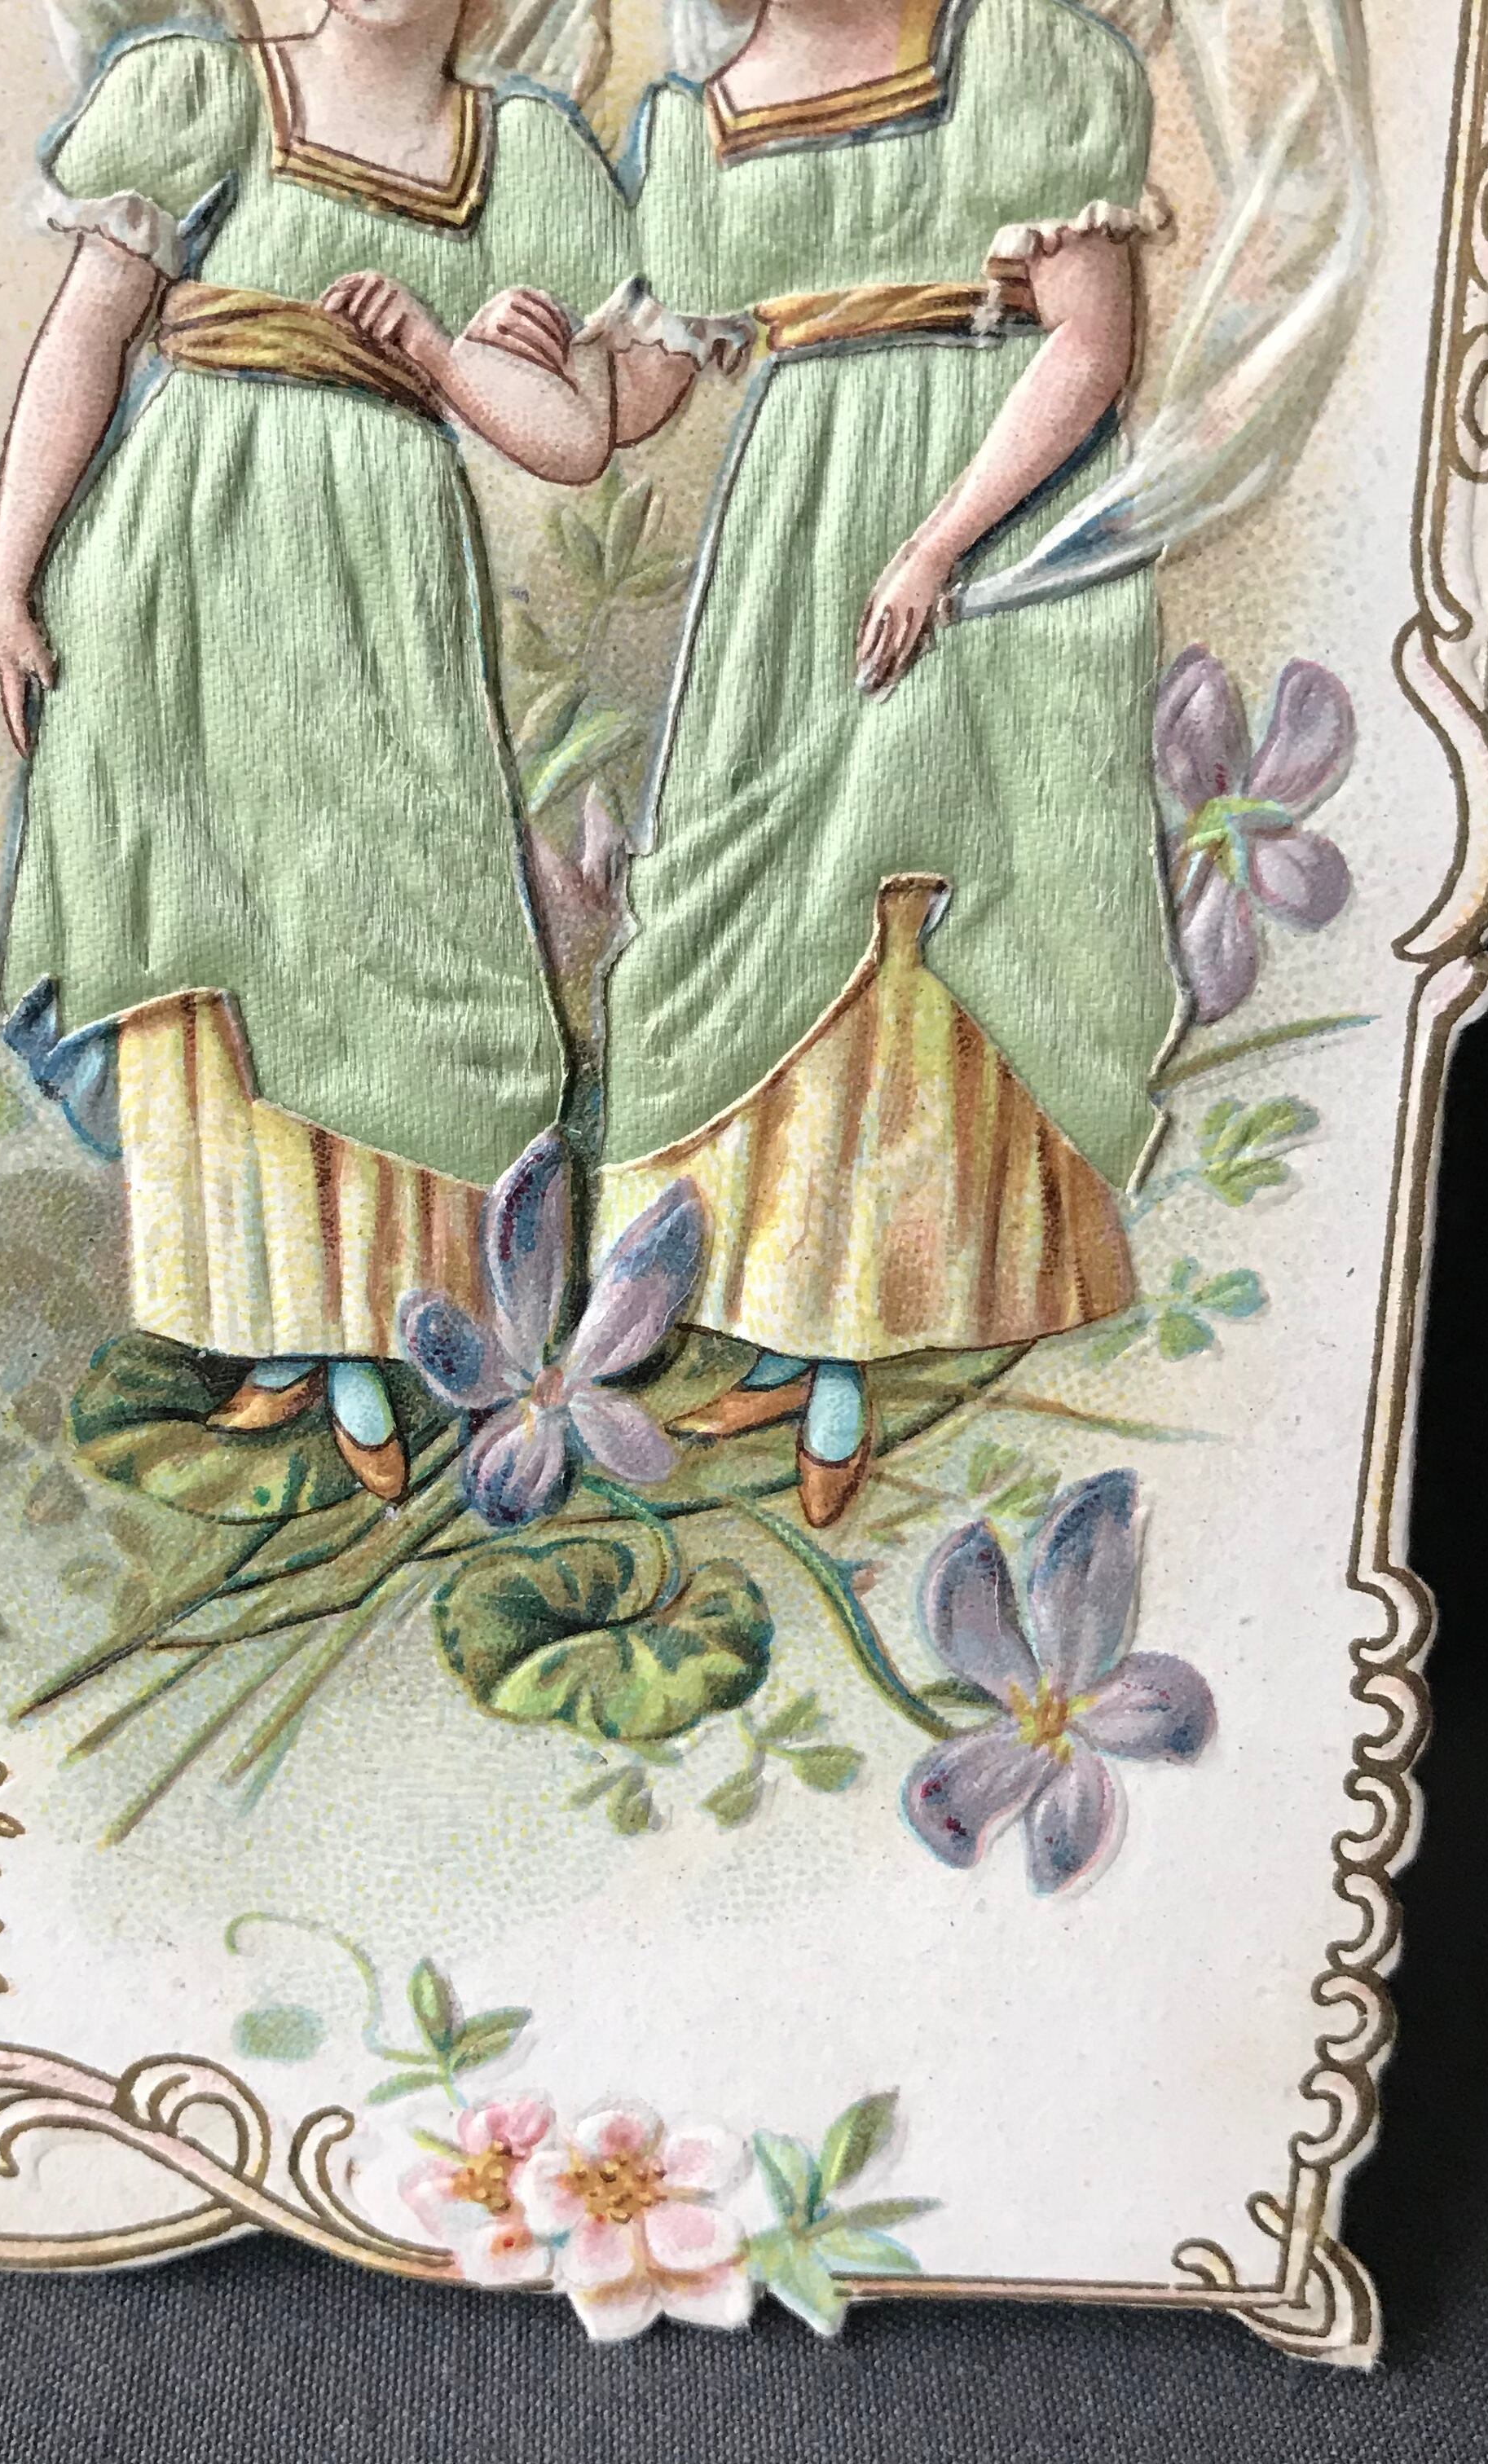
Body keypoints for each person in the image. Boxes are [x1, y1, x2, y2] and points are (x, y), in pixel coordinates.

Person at [0, 2, 629, 1502]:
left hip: (383, 582)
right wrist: (8, 577)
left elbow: (578, 433)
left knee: (384, 925)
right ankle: (276, 1331)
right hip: (180, 570)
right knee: (220, 935)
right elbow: (88, 331)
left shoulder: (522, 155)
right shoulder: (204, 96)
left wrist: (451, 356)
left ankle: (391, 1323)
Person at [593, 0, 1182, 1526]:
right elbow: (641, 389)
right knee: (771, 902)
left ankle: (860, 1340)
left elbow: (1092, 345)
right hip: (790, 540)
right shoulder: (697, 118)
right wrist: (505, 358)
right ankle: (785, 1320)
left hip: (989, 532)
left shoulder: (1024, 58)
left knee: (908, 899)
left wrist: (934, 550)